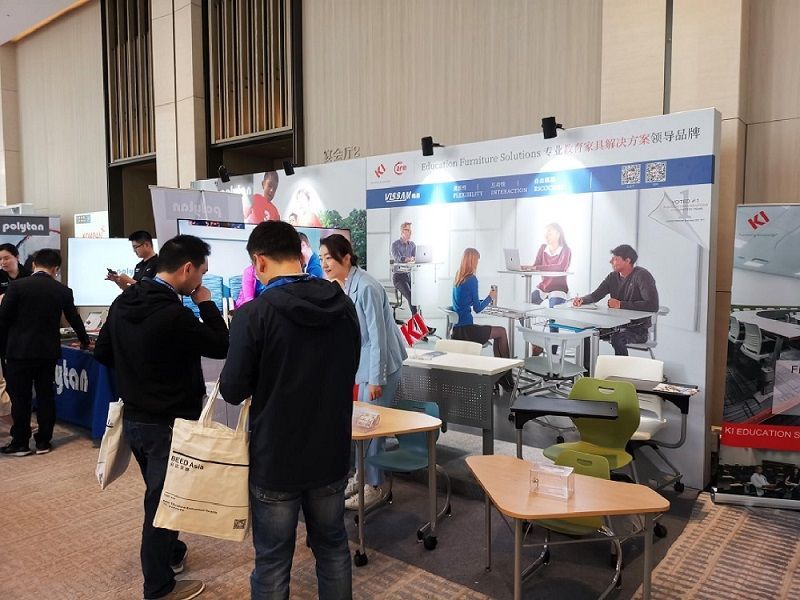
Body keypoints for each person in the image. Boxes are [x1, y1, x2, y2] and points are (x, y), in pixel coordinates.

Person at [220, 221, 359, 599]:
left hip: (276, 457)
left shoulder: (254, 315)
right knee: (333, 547)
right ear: (300, 256)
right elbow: (350, 367)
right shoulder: (343, 306)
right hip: (330, 449)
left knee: (272, 561)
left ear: (259, 262)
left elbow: (232, 390)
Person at [94, 235, 229, 600]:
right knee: (163, 501)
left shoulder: (124, 301)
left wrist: (138, 371)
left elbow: (103, 352)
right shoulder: (175, 314)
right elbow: (221, 344)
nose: (201, 280)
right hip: (169, 423)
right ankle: (158, 586)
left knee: (162, 492)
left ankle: (172, 552)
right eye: (201, 273)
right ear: (187, 269)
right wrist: (207, 303)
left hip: (135, 419)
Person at [320, 233, 407, 510]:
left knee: (372, 429)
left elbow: (377, 338)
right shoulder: (345, 284)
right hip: (364, 365)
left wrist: (376, 379)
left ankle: (375, 486)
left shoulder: (366, 287)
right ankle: (362, 477)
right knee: (361, 425)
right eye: (321, 258)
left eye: (329, 258)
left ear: (346, 258)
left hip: (381, 367)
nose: (324, 264)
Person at [0, 249, 90, 456]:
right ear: (55, 269)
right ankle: (43, 442)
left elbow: (3, 319)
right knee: (45, 396)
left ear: (34, 265)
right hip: (47, 352)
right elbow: (74, 319)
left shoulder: (17, 286)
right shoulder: (62, 290)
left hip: (18, 352)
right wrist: (85, 341)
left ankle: (20, 443)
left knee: (20, 398)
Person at [573, 244, 659, 356]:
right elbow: (596, 295)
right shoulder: (612, 277)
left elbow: (653, 305)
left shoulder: (642, 275)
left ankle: (621, 367)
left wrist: (621, 305)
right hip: (615, 326)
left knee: (617, 338)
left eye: (615, 259)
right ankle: (588, 367)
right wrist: (582, 300)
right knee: (587, 334)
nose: (611, 262)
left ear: (627, 260)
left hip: (638, 330)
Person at [451, 248, 514, 389]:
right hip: (468, 331)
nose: (477, 264)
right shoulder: (472, 279)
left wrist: (484, 300)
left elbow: (466, 301)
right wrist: (490, 297)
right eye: (477, 261)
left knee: (498, 334)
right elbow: (477, 309)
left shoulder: (458, 277)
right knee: (502, 332)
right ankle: (507, 377)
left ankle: (501, 376)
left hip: (457, 330)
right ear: (472, 261)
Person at [523, 223, 572, 307]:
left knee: (554, 312)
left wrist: (536, 267)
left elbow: (561, 267)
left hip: (558, 288)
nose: (546, 236)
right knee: (525, 306)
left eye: (549, 234)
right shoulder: (543, 248)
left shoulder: (566, 250)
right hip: (544, 287)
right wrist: (527, 268)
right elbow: (536, 265)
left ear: (558, 234)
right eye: (545, 234)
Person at [391, 222, 417, 316]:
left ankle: (419, 321)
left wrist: (414, 259)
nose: (410, 232)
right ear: (402, 231)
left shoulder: (412, 245)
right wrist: (407, 259)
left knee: (417, 297)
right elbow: (397, 258)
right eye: (408, 230)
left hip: (409, 277)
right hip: (399, 278)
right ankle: (418, 323)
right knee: (411, 297)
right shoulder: (395, 244)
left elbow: (415, 258)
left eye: (410, 230)